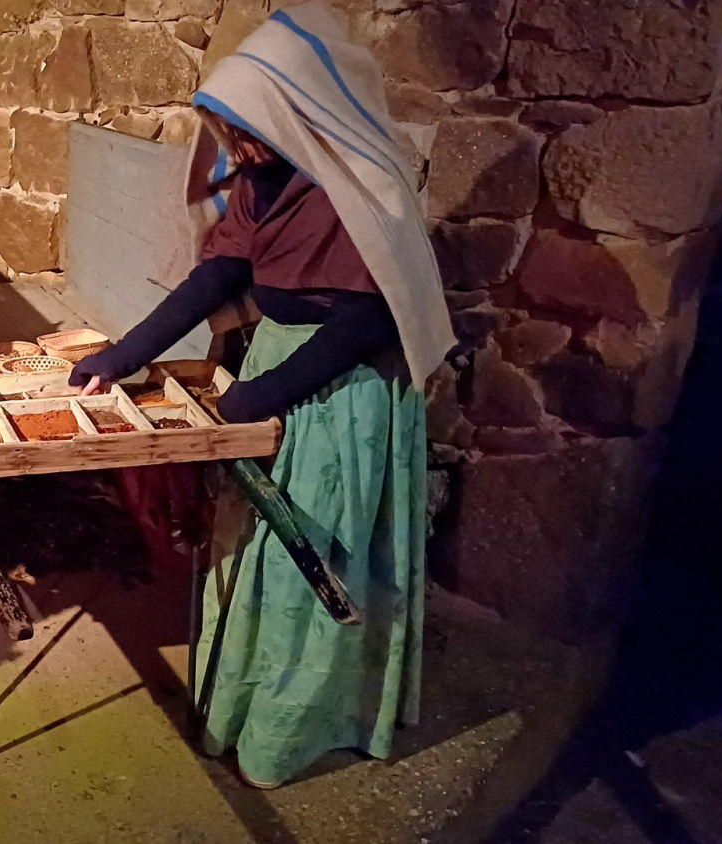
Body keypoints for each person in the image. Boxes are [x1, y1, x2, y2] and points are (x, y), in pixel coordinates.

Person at [71, 2, 455, 788]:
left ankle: (302, 722)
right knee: (254, 549)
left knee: (313, 555)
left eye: (245, 129)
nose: (234, 149)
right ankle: (243, 700)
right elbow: (218, 275)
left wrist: (265, 393)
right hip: (284, 366)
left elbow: (369, 318)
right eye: (228, 130)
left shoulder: (357, 187)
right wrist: (126, 353)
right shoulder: (259, 180)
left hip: (345, 392)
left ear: (290, 118)